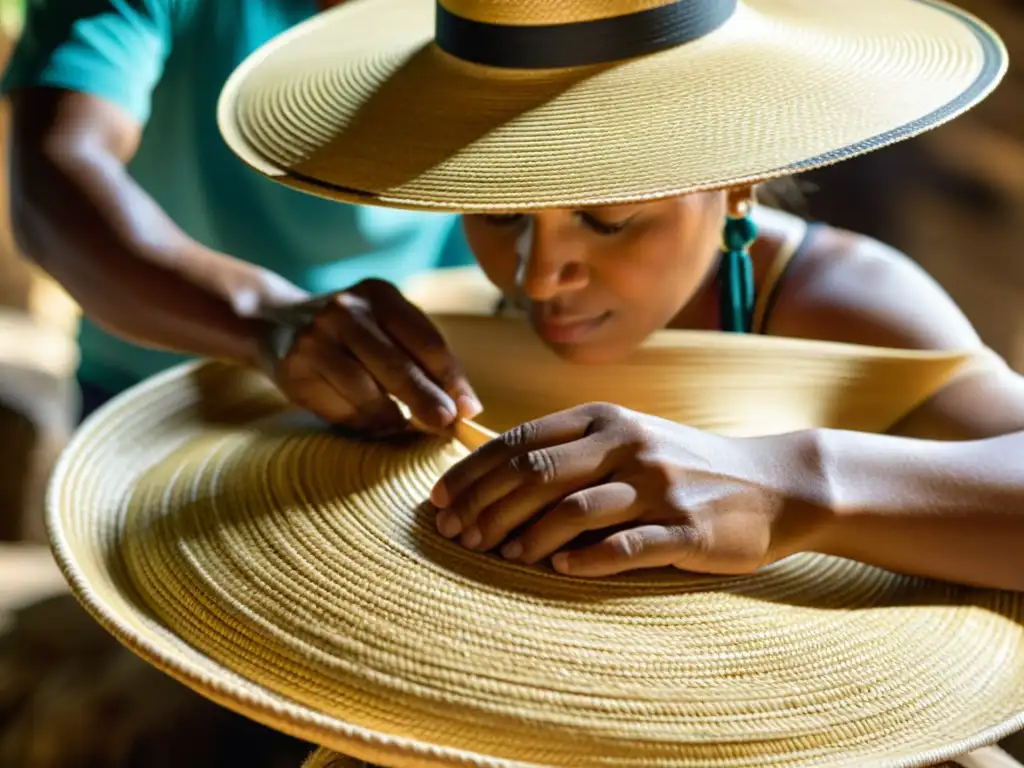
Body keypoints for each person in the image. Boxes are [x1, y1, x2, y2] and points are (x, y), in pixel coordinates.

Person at [206, 0, 1024, 597]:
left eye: (608, 218)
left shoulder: (841, 303)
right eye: (499, 210)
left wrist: (790, 482)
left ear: (735, 178)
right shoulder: (449, 313)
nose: (534, 277)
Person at [1, 0, 480, 426]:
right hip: (161, 399)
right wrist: (268, 318)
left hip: (400, 391)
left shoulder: (497, 18)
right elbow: (55, 177)